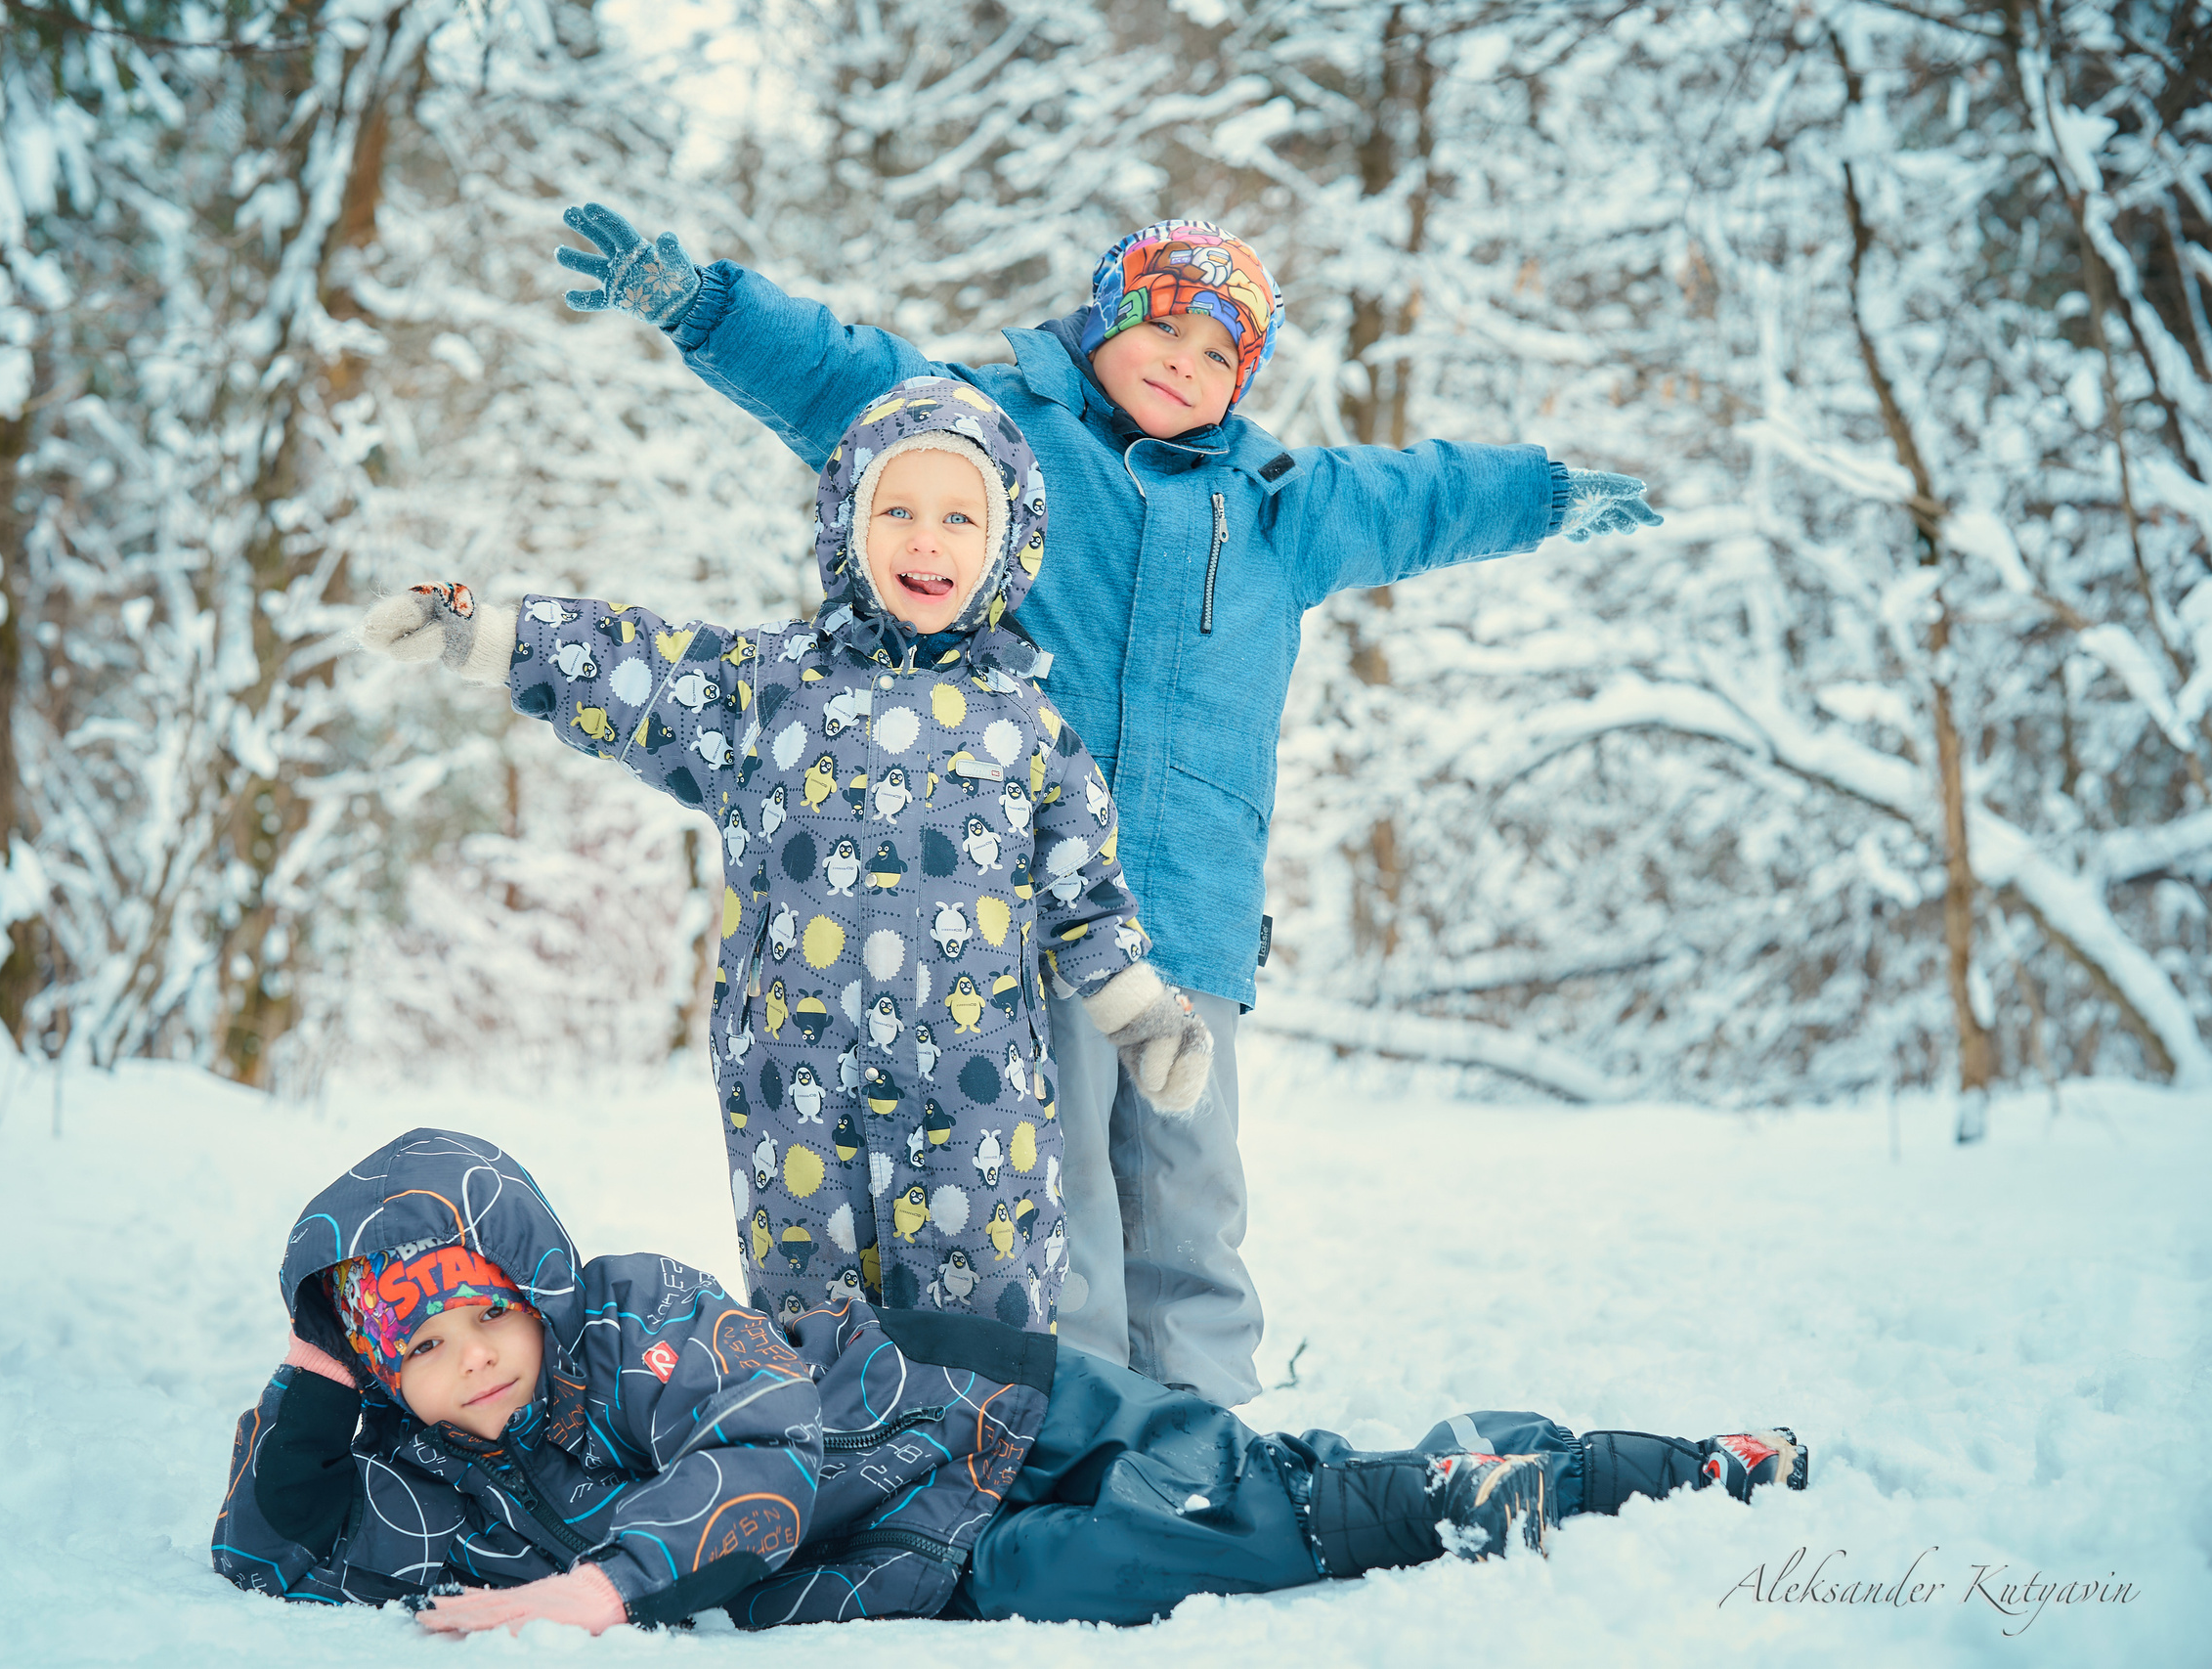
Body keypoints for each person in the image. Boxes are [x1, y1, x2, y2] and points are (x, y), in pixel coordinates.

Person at [551, 205, 1665, 1408]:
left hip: (1190, 922)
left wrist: (1540, 494)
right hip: (1020, 917)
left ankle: (1203, 1432)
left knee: (1192, 1200)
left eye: (1222, 351)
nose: (1188, 362)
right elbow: (840, 376)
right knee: (1054, 1194)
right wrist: (703, 308)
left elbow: (1419, 497)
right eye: (1165, 326)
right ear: (1102, 319)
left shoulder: (1280, 507)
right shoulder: (999, 435)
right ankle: (1066, 1434)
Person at [358, 376, 1214, 1331]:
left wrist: (1143, 1019)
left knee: (982, 1322)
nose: (925, 539)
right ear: (848, 523)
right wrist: (485, 635)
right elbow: (637, 671)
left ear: (1006, 546)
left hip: (974, 1093)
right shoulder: (766, 691)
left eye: (958, 517)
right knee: (811, 1323)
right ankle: (813, 1419)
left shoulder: (1028, 731)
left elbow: (1083, 895)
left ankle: (983, 1426)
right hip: (797, 1090)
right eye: (897, 509)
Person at [212, 1127, 1808, 1634]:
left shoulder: (633, 1317)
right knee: (1212, 1535)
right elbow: (272, 1543)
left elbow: (766, 1449)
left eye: (482, 1316)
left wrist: (603, 1586)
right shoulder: (432, 1479)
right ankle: (1453, 1486)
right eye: (418, 1351)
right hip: (944, 1557)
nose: (471, 1363)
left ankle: (1634, 1467)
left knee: (1272, 1482)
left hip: (984, 1401)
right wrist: (317, 1367)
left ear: (535, 1285)